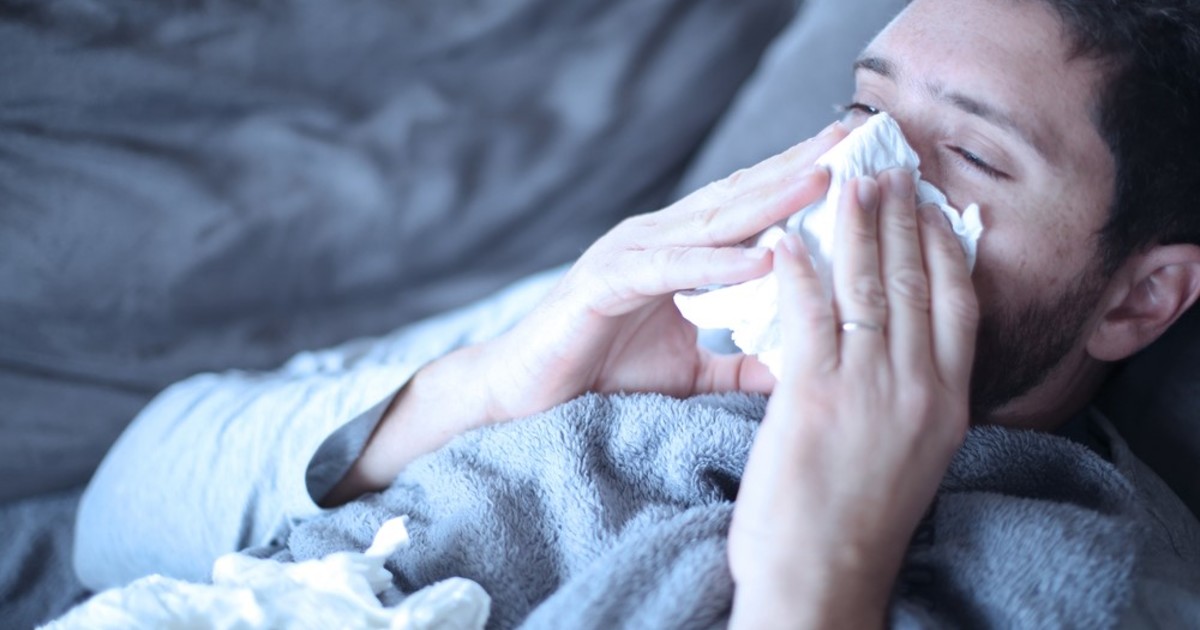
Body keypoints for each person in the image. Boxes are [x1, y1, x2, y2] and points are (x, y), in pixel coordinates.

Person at [75, 0, 1200, 626]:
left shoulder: (1107, 581)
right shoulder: (660, 313)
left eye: (972, 158)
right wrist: (495, 383)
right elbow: (109, 521)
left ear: (1139, 297)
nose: (855, 183)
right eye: (863, 110)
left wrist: (822, 568)